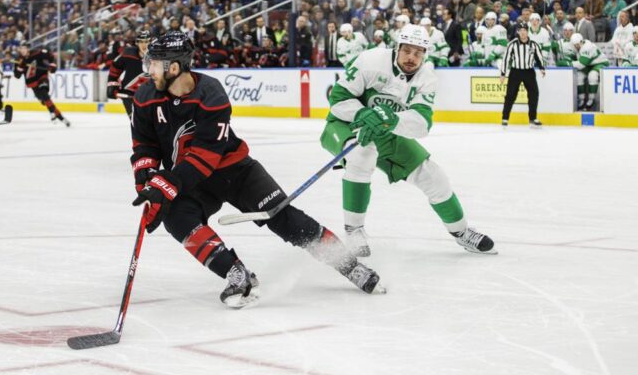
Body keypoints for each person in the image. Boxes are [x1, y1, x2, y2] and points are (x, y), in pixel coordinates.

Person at [129, 32, 384, 308]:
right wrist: (146, 181)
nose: (148, 70)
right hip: (191, 180)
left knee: (285, 219)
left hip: (235, 172)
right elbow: (144, 145)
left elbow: (205, 157)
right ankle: (236, 273)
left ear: (174, 67)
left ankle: (350, 266)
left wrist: (167, 185)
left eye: (154, 63)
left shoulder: (210, 94)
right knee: (177, 219)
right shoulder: (144, 96)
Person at [319, 25, 496, 258]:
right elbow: (338, 99)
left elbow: (422, 123)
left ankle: (462, 232)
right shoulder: (370, 60)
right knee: (363, 155)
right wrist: (363, 115)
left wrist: (391, 120)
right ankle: (354, 229)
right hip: (345, 125)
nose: (412, 58)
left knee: (433, 176)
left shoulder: (427, 79)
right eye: (407, 51)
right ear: (397, 48)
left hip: (387, 131)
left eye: (418, 53)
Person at [499, 23, 546, 127]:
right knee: (510, 95)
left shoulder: (533, 44)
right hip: (516, 72)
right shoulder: (512, 44)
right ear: (518, 32)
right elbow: (506, 59)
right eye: (521, 30)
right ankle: (505, 118)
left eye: (524, 30)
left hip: (529, 72)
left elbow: (539, 57)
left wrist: (542, 68)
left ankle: (533, 118)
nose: (523, 32)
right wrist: (503, 73)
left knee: (534, 94)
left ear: (527, 31)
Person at [13, 43, 70, 126]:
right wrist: (20, 68)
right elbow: (17, 75)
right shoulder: (19, 60)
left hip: (42, 77)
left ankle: (52, 113)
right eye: (21, 48)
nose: (22, 50)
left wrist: (52, 66)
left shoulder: (37, 53)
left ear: (28, 49)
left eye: (24, 48)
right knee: (45, 101)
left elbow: (50, 56)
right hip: (32, 83)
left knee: (44, 93)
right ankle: (61, 118)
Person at [107, 30, 152, 116]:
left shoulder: (158, 56)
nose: (144, 45)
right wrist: (112, 85)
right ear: (137, 43)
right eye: (141, 42)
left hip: (150, 94)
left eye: (146, 42)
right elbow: (115, 67)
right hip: (129, 93)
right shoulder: (128, 54)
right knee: (135, 121)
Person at [570, 33, 608, 111]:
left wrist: (569, 63)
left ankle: (591, 100)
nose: (576, 46)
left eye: (577, 44)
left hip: (600, 63)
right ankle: (581, 99)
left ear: (581, 42)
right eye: (575, 45)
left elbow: (581, 64)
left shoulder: (587, 47)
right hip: (589, 65)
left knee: (592, 75)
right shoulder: (578, 46)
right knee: (579, 76)